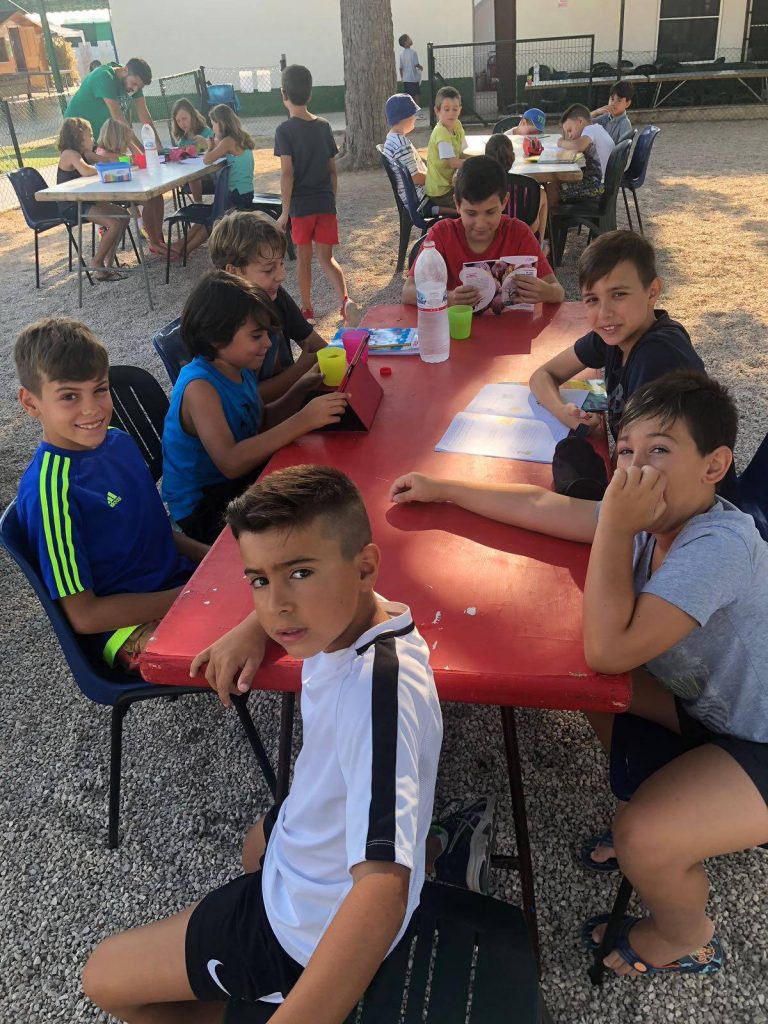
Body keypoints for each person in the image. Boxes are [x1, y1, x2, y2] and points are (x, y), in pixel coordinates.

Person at [389, 370, 768, 977]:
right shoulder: (653, 521)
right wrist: (446, 489)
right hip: (707, 706)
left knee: (642, 836)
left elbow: (609, 651)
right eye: (626, 452)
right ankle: (679, 806)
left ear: (714, 466)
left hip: (758, 736)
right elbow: (543, 505)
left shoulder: (717, 545)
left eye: (659, 451)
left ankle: (684, 934)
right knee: (583, 690)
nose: (635, 470)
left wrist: (613, 524)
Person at [81, 464, 445, 1020]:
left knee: (103, 977)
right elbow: (290, 600)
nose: (277, 606)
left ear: (365, 566)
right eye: (258, 581)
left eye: (299, 573)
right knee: (257, 844)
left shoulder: (376, 696)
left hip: (303, 930)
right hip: (310, 843)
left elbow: (381, 890)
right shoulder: (365, 622)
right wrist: (252, 627)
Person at [14, 318, 208, 672]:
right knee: (259, 631)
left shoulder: (119, 441)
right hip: (126, 628)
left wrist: (212, 559)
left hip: (176, 584)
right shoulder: (50, 492)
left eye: (99, 389)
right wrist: (190, 596)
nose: (92, 409)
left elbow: (156, 531)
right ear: (31, 403)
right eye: (69, 396)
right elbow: (85, 616)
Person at [161, 270, 347, 544]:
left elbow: (258, 421)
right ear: (216, 338)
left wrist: (298, 391)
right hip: (203, 508)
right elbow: (231, 462)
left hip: (236, 483)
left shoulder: (239, 365)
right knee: (299, 529)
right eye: (256, 336)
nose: (268, 344)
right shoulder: (199, 387)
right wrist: (303, 421)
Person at [529, 230, 703, 437]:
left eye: (618, 294)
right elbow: (542, 375)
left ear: (652, 292)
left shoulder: (658, 356)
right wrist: (564, 412)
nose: (604, 313)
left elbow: (647, 450)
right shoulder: (614, 335)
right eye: (592, 299)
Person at [402, 156, 564, 307]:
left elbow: (558, 291)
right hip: (457, 326)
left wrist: (546, 292)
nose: (480, 224)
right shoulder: (442, 234)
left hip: (512, 326)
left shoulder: (519, 233)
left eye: (490, 212)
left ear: (504, 202)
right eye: (471, 213)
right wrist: (447, 298)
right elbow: (408, 292)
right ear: (457, 204)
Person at [274, 64, 361, 327]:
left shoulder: (284, 131)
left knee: (304, 260)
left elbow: (287, 173)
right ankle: (345, 301)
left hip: (301, 208)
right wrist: (329, 199)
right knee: (327, 258)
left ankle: (308, 310)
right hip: (324, 203)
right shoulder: (323, 126)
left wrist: (285, 212)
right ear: (310, 94)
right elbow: (332, 171)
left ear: (283, 94)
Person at [208, 209, 328, 402]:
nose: (281, 276)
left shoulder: (275, 295)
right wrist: (300, 369)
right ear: (233, 271)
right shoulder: (223, 320)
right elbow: (244, 396)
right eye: (268, 269)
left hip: (292, 401)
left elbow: (316, 345)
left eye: (281, 264)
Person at [173, 103, 256, 259]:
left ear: (221, 123)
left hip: (236, 195)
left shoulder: (228, 141)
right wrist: (211, 144)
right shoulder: (240, 137)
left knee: (213, 219)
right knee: (212, 214)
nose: (212, 127)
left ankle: (184, 250)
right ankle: (181, 245)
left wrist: (210, 147)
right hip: (245, 192)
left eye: (213, 124)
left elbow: (207, 160)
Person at [55, 117, 130, 281]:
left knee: (124, 215)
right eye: (89, 135)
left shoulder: (83, 154)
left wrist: (119, 161)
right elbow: (87, 171)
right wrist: (103, 166)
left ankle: (108, 262)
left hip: (85, 200)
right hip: (72, 205)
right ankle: (97, 262)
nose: (93, 139)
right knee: (114, 224)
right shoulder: (69, 154)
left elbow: (107, 160)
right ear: (78, 136)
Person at [94, 117, 167, 257]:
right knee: (149, 201)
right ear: (117, 138)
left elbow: (140, 159)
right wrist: (129, 145)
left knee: (157, 197)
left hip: (124, 188)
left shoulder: (117, 153)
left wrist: (130, 142)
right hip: (113, 193)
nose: (126, 142)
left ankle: (157, 237)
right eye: (125, 138)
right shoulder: (103, 153)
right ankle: (153, 241)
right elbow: (129, 160)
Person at [64, 57, 161, 153]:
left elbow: (144, 115)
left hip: (99, 139)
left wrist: (159, 147)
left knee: (120, 160)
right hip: (78, 134)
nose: (135, 89)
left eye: (139, 87)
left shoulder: (132, 81)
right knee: (91, 161)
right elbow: (118, 118)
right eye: (134, 83)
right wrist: (141, 151)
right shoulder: (104, 76)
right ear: (125, 70)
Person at [382, 93, 455, 218]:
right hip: (422, 201)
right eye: (413, 114)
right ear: (404, 117)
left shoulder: (392, 139)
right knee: (462, 202)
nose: (415, 117)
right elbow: (416, 177)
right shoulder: (401, 145)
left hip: (414, 197)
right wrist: (438, 180)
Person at [547, 102, 614, 210]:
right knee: (558, 182)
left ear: (580, 121)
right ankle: (559, 217)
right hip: (601, 183)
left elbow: (578, 146)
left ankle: (555, 219)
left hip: (597, 186)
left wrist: (561, 142)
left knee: (552, 188)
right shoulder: (596, 128)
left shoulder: (590, 130)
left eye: (570, 130)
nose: (569, 135)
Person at [485, 133, 548, 240]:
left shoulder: (481, 186)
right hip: (523, 237)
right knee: (542, 195)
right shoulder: (528, 188)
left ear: (486, 159)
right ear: (513, 158)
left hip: (490, 238)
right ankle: (540, 243)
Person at [424, 86, 466, 208]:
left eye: (455, 109)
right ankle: (440, 210)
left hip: (451, 183)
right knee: (472, 204)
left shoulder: (457, 125)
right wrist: (476, 162)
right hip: (441, 191)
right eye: (446, 109)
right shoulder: (441, 132)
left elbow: (463, 152)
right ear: (437, 111)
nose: (451, 113)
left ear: (460, 110)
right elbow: (452, 163)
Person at [170, 97, 214, 202]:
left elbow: (216, 150)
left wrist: (205, 144)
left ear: (192, 116)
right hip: (190, 177)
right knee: (192, 174)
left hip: (210, 174)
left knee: (193, 175)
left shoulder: (206, 132)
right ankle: (198, 205)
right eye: (178, 121)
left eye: (184, 118)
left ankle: (198, 204)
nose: (182, 123)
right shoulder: (182, 140)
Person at [398, 33, 423, 104]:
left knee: (410, 96)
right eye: (409, 39)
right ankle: (417, 109)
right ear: (406, 43)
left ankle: (411, 109)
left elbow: (401, 68)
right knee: (417, 95)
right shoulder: (413, 52)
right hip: (413, 79)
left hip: (406, 80)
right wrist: (421, 67)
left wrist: (402, 78)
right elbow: (416, 64)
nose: (411, 39)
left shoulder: (401, 54)